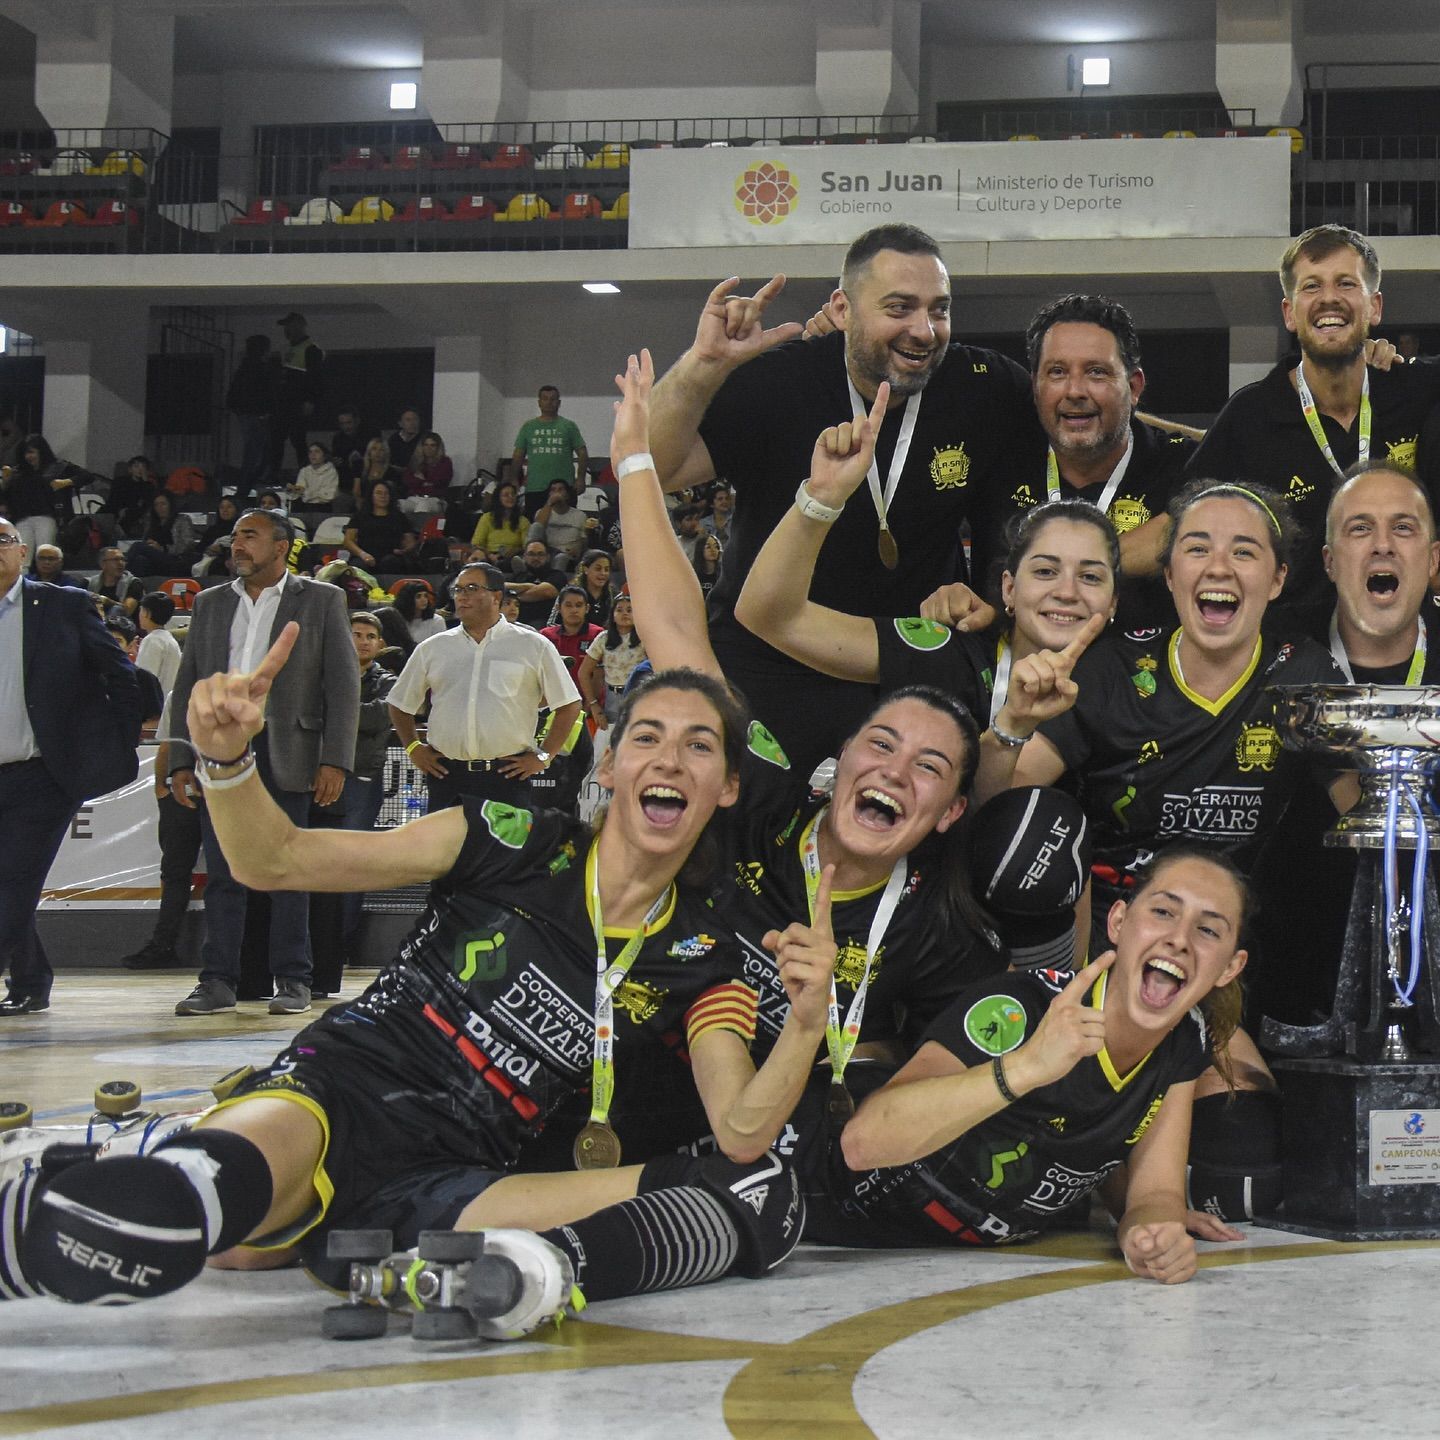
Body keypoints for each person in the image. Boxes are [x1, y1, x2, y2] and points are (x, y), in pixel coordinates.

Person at [0, 619, 831, 1320]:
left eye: (699, 746)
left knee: (755, 1190)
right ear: (609, 765)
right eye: (647, 737)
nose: (670, 760)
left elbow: (741, 1130)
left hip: (460, 1172)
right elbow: (275, 858)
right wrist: (228, 761)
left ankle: (524, 1274)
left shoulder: (703, 954)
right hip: (344, 1093)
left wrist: (804, 1021)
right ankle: (134, 1171)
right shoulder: (506, 836)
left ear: (727, 786)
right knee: (168, 1222)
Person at [647, 224, 1036, 776]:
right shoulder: (780, 378)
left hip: (906, 665)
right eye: (899, 308)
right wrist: (702, 365)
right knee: (747, 818)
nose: (924, 330)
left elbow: (1067, 451)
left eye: (939, 310)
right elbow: (657, 466)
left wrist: (987, 595)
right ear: (842, 309)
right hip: (767, 663)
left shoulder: (986, 385)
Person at [836, 848, 1252, 1280]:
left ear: (1230, 967)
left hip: (959, 1270)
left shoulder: (1185, 1039)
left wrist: (1151, 1236)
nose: (1179, 939)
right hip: (840, 1231)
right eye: (1163, 912)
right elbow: (862, 1144)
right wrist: (1027, 1066)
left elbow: (1155, 1192)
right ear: (1118, 922)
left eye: (1207, 929)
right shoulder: (1021, 1006)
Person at [974, 478, 1356, 946]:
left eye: (1243, 552)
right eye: (1197, 549)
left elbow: (1366, 812)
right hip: (1108, 930)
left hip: (1223, 938)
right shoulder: (1111, 670)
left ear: (1277, 579)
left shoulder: (1303, 672)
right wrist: (1013, 724)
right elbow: (993, 811)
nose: (1219, 567)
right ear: (1170, 575)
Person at [735, 427, 1119, 743]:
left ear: (1114, 602)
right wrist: (821, 498)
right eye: (1045, 572)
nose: (1066, 592)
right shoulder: (954, 659)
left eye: (1090, 577)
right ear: (1009, 590)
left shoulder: (1137, 683)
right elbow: (771, 617)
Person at [1187, 224, 1440, 638]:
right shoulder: (1251, 415)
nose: (1329, 298)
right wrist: (1092, 554)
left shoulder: (1419, 389)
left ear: (1374, 306)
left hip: (1416, 646)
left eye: (1346, 283)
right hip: (1296, 648)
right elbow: (1178, 522)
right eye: (1311, 286)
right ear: (1289, 313)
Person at [166, 508, 359, 1017]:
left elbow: (343, 685)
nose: (237, 545)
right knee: (223, 871)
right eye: (235, 536)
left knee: (287, 870)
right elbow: (187, 685)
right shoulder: (209, 603)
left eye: (249, 536)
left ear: (281, 547)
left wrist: (335, 759)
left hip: (288, 749)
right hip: (221, 750)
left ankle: (294, 979)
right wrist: (181, 758)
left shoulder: (321, 599)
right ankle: (217, 981)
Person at [965, 293, 1194, 635]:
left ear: (1133, 388)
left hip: (1143, 669)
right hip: (1013, 666)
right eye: (1057, 372)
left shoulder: (1182, 467)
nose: (1074, 391)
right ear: (1035, 387)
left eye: (1096, 372)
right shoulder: (995, 464)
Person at [0, 518, 142, 1015]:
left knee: (15, 878)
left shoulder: (63, 604)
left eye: (3, 540)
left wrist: (115, 739)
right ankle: (31, 979)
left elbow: (120, 674)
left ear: (23, 552)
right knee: (10, 883)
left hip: (41, 774)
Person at [388, 562, 581, 811]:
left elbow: (569, 704)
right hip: (446, 775)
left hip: (507, 776)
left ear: (496, 596)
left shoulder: (533, 645)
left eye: (471, 588)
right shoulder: (433, 647)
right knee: (447, 839)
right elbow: (399, 703)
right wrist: (414, 747)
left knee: (507, 839)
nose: (461, 596)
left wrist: (544, 756)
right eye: (457, 590)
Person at [337, 612, 398, 963]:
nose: (363, 641)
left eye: (370, 636)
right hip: (318, 774)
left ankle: (340, 944)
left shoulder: (389, 681)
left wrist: (337, 711)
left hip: (362, 777)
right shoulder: (325, 673)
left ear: (380, 644)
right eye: (356, 634)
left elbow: (380, 716)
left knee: (352, 863)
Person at [513, 385, 587, 517]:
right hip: (535, 487)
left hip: (564, 488)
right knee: (536, 525)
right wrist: (514, 479)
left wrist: (581, 478)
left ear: (559, 403)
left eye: (553, 399)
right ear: (539, 402)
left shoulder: (568, 426)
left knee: (565, 524)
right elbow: (518, 455)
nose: (549, 402)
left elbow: (582, 452)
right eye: (545, 399)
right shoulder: (528, 427)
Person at [578, 593, 647, 726]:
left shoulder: (644, 638)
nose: (625, 613)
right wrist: (593, 704)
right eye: (619, 610)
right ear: (612, 615)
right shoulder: (603, 638)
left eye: (630, 610)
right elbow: (583, 672)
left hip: (640, 695)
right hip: (612, 697)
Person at [227, 334, 276, 505]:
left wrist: (241, 411)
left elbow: (233, 397)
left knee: (254, 454)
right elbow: (265, 393)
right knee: (257, 456)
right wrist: (263, 411)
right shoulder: (260, 368)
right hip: (256, 416)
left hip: (247, 416)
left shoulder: (243, 368)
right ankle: (243, 492)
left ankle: (245, 490)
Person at [272, 312, 324, 473]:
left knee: (298, 439)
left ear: (300, 326)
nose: (287, 330)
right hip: (283, 403)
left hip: (298, 403)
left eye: (290, 326)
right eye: (286, 326)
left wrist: (310, 400)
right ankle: (273, 475)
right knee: (276, 439)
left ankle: (306, 474)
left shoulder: (311, 349)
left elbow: (316, 377)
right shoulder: (287, 348)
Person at [342, 479, 413, 572]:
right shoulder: (360, 516)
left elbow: (410, 541)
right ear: (371, 496)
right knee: (357, 566)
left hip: (391, 557)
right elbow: (348, 541)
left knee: (391, 563)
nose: (383, 496)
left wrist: (405, 550)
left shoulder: (399, 517)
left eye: (386, 493)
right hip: (364, 556)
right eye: (379, 493)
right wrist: (363, 554)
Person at [126, 492, 200, 578]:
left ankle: (121, 567)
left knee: (138, 545)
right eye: (156, 505)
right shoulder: (152, 523)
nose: (159, 507)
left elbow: (188, 544)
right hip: (156, 561)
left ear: (170, 505)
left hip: (175, 560)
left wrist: (162, 548)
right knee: (139, 561)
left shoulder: (182, 519)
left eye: (163, 504)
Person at [541, 584, 605, 683]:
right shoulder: (546, 636)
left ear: (587, 608)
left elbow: (601, 674)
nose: (574, 610)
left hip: (589, 692)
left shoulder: (598, 634)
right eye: (568, 605)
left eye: (579, 605)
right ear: (558, 608)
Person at [530, 479, 598, 563]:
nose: (556, 493)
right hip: (547, 553)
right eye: (553, 490)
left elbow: (584, 540)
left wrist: (577, 549)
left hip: (568, 554)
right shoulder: (541, 512)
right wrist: (550, 503)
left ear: (567, 495)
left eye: (560, 489)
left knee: (561, 558)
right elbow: (537, 529)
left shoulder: (580, 515)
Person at [509, 538, 570, 625]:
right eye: (531, 554)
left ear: (547, 557)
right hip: (517, 622)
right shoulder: (518, 577)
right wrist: (529, 586)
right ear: (524, 557)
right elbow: (504, 588)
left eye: (540, 554)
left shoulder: (557, 575)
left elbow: (546, 592)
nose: (536, 558)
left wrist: (515, 595)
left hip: (545, 623)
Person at [470, 479, 530, 566]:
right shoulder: (487, 518)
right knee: (478, 555)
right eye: (506, 495)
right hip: (489, 555)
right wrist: (489, 555)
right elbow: (476, 544)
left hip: (513, 557)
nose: (510, 497)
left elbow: (527, 546)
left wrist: (516, 550)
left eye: (513, 494)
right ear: (498, 499)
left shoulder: (523, 521)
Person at [135, 591, 182, 694]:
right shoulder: (169, 639)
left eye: (141, 610)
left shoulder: (152, 640)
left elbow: (145, 680)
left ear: (146, 613)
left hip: (156, 700)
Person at [87, 546, 145, 617]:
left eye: (122, 559)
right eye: (116, 559)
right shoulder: (89, 583)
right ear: (103, 564)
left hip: (123, 622)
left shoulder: (133, 583)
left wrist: (107, 601)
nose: (120, 563)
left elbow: (127, 611)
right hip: (94, 621)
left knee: (116, 609)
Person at [388, 578, 446, 647]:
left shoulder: (437, 621)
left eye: (425, 596)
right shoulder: (398, 620)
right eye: (418, 596)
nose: (424, 600)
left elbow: (440, 646)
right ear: (408, 599)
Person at [289, 442, 342, 511]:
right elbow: (299, 490)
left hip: (324, 508)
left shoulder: (331, 471)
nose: (313, 455)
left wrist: (306, 493)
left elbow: (329, 495)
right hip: (305, 507)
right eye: (310, 452)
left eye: (317, 451)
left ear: (324, 456)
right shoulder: (304, 471)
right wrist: (293, 489)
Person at [403, 431, 454, 501]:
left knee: (422, 505)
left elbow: (439, 482)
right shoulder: (415, 461)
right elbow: (407, 480)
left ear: (438, 447)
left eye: (432, 445)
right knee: (401, 504)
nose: (428, 448)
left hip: (435, 498)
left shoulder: (445, 462)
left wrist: (420, 481)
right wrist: (425, 483)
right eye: (426, 445)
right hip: (414, 497)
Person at [386, 407, 424, 473]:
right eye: (408, 420)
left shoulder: (425, 438)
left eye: (415, 419)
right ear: (400, 423)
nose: (412, 423)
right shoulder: (393, 439)